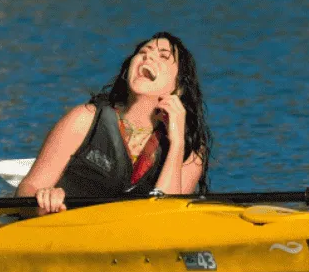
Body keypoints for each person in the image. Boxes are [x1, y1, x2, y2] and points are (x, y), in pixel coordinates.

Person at [16, 32, 212, 215]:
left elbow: (168, 217)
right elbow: (27, 190)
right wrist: (43, 202)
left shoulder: (190, 151)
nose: (148, 57)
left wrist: (177, 143)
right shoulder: (84, 119)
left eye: (163, 56)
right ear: (127, 72)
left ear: (179, 87)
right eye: (143, 52)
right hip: (66, 231)